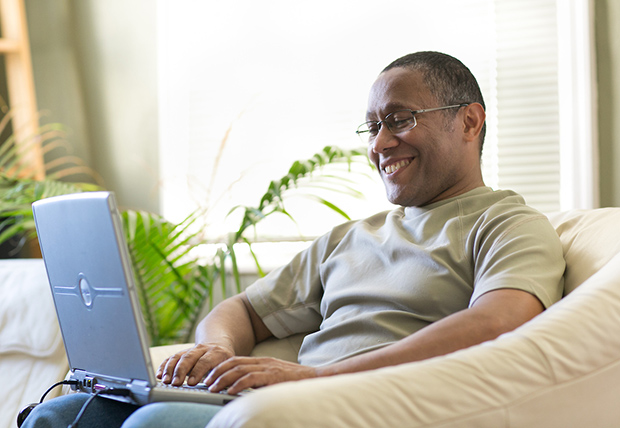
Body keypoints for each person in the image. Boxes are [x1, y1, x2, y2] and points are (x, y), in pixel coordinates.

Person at [23, 51, 565, 428]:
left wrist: (312, 377)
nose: (380, 144)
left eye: (399, 120)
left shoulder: (507, 222)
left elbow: (499, 320)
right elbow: (240, 308)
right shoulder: (350, 238)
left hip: (360, 407)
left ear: (469, 122)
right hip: (284, 400)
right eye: (371, 127)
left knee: (160, 422)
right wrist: (215, 353)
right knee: (60, 414)